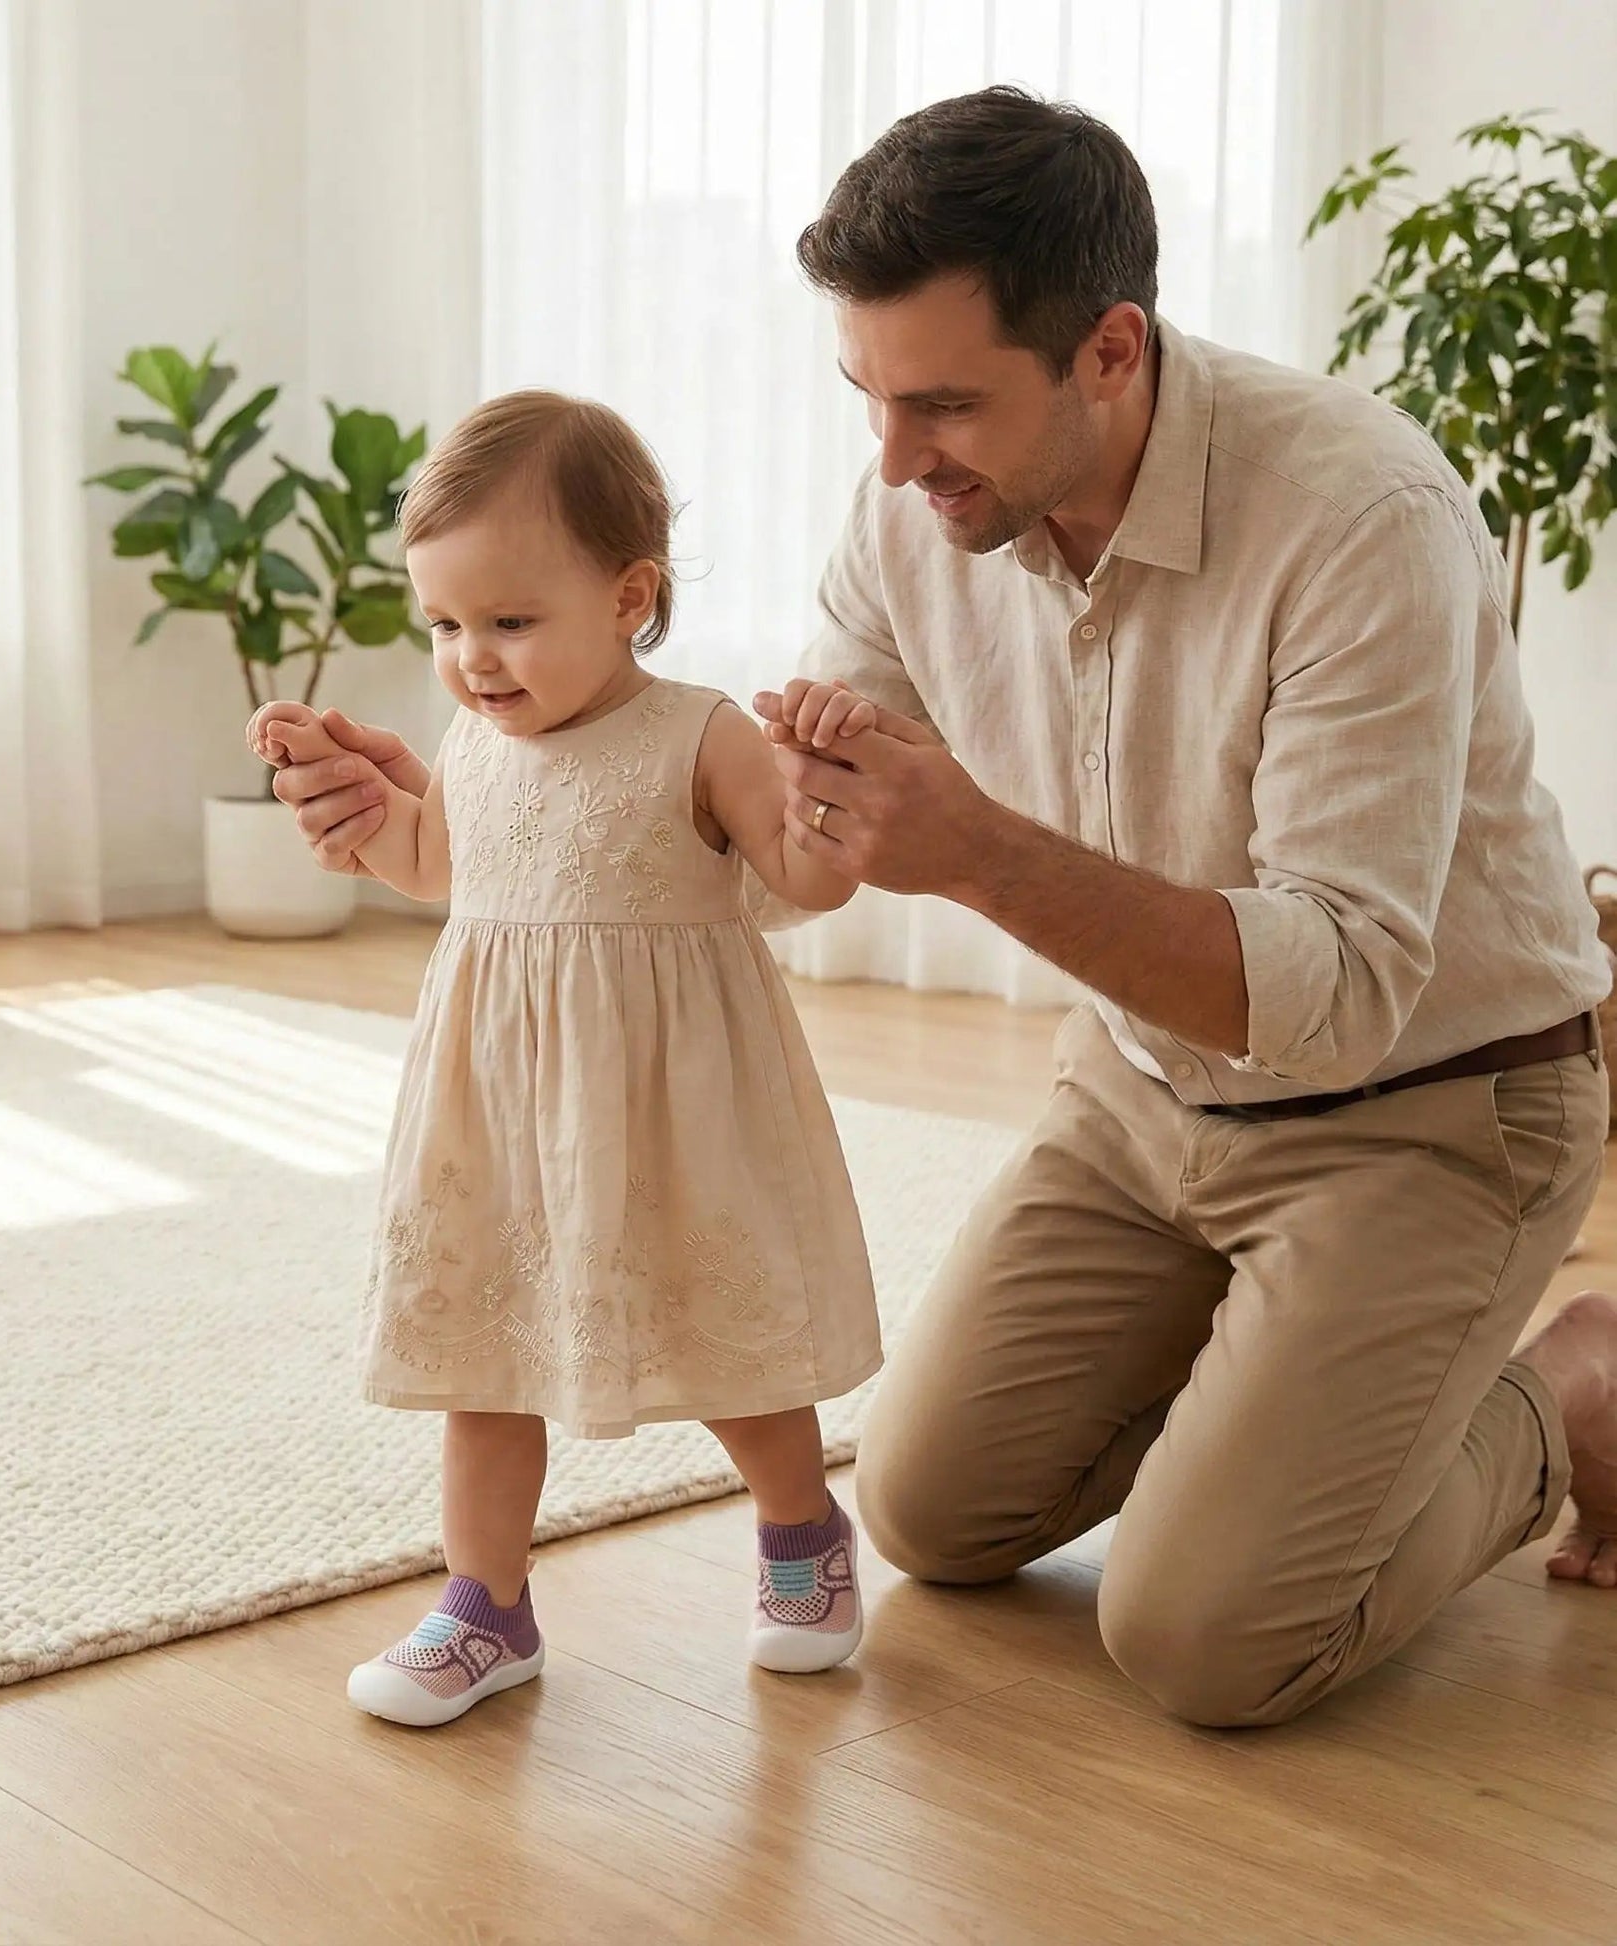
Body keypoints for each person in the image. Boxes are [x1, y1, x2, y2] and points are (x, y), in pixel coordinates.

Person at [275, 89, 1617, 1728]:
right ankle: (1292, 1398)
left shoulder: (1358, 519)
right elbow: (762, 854)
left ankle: (1572, 1384)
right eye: (866, 396)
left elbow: (1335, 984)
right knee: (926, 1514)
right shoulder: (908, 515)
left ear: (1109, 350)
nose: (895, 462)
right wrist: (460, 813)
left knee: (1208, 1639)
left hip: (1425, 1108)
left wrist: (974, 849)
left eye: (944, 406)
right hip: (1143, 1097)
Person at [249, 390, 883, 1727]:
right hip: (498, 1106)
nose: (472, 659)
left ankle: (797, 1525)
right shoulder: (475, 747)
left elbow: (802, 879)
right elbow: (439, 866)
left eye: (509, 621)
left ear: (627, 596)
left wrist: (826, 792)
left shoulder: (696, 731)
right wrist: (363, 817)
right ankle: (483, 1603)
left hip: (671, 1111)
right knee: (482, 1349)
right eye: (444, 625)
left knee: (722, 1336)